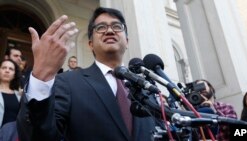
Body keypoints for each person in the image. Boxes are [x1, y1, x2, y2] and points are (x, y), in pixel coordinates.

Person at [17, 7, 158, 141]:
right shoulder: (68, 82)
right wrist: (41, 78)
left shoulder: (145, 88)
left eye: (117, 26)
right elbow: (38, 135)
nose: (109, 31)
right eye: (101, 27)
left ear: (126, 42)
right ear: (90, 44)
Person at [0, 59, 22, 128]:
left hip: (12, 136)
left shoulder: (19, 95)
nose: (7, 70)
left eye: (11, 69)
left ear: (14, 74)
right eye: (4, 68)